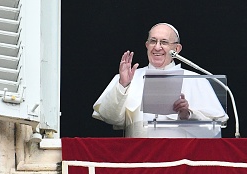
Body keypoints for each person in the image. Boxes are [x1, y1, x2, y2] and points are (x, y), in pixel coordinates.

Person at [92, 23, 228, 137]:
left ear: (177, 49)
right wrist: (123, 86)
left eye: (164, 42)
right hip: (140, 161)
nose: (157, 47)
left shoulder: (196, 80)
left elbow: (214, 131)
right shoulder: (129, 78)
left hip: (179, 162)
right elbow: (109, 117)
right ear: (146, 45)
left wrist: (188, 115)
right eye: (153, 41)